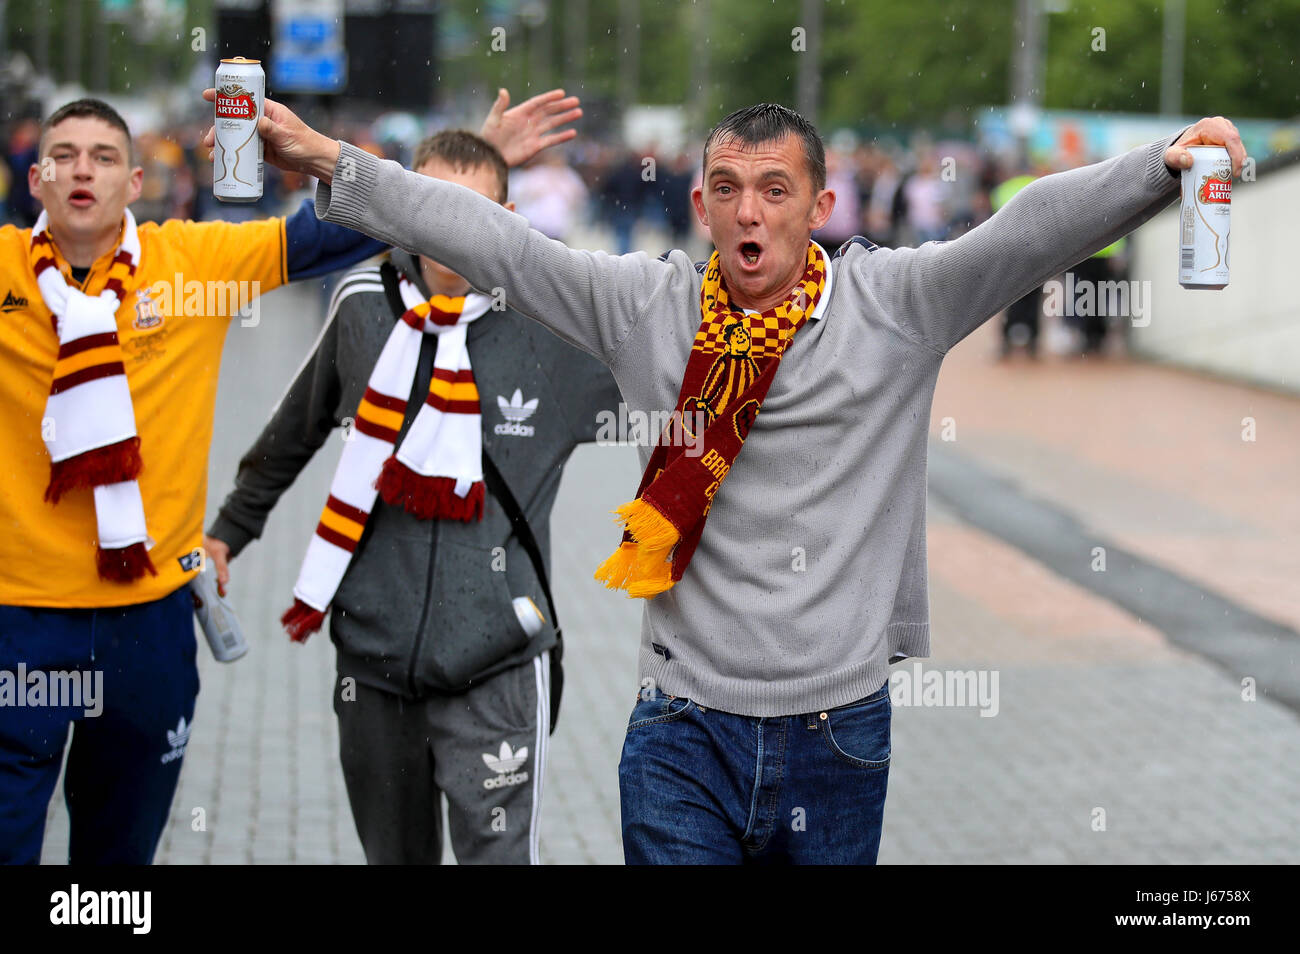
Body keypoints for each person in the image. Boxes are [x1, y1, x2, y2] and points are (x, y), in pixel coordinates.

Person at [220, 93, 1244, 864]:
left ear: (819, 205)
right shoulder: (642, 306)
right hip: (680, 730)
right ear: (701, 204)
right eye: (725, 188)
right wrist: (332, 162)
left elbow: (1027, 231)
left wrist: (1161, 165)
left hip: (836, 733)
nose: (748, 212)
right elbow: (489, 239)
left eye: (774, 189)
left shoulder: (898, 306)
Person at [0, 88, 581, 865]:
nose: (83, 172)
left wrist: (460, 170)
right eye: (63, 156)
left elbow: (327, 236)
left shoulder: (190, 264)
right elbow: (290, 436)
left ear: (136, 183)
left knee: (116, 864)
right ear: (33, 177)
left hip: (146, 622)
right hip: (18, 622)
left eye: (104, 157)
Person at [203, 130, 619, 865]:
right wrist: (226, 534)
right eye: (429, 208)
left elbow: (678, 387)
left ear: (508, 220)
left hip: (499, 660)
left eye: (470, 213)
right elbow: (292, 432)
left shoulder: (553, 332)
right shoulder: (362, 306)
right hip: (374, 660)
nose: (447, 233)